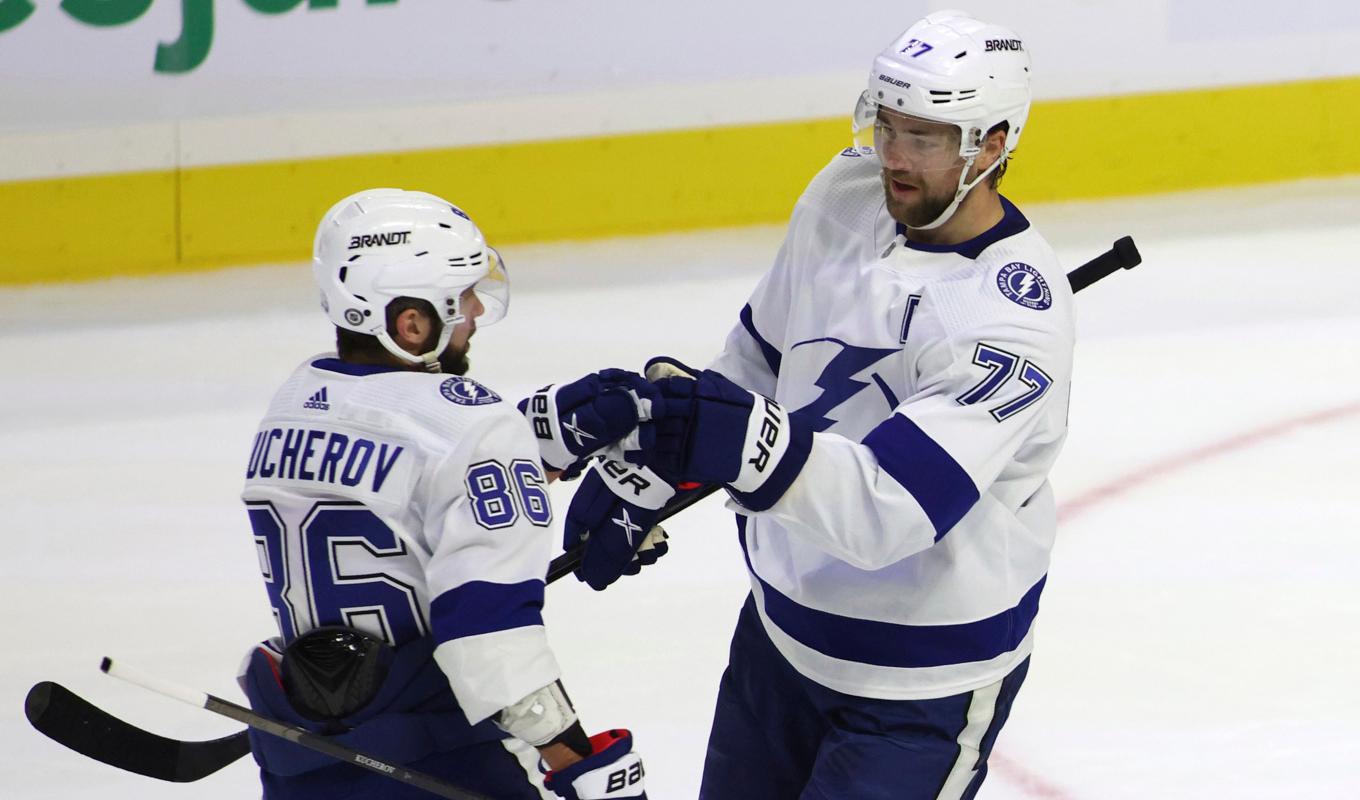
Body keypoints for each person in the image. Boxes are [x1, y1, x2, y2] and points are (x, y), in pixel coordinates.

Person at [572, 10, 1074, 798]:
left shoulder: (1013, 319)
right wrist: (661, 469)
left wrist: (728, 441)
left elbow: (890, 512)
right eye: (889, 125)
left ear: (997, 143)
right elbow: (759, 361)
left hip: (920, 683)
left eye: (929, 138)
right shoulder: (846, 192)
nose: (896, 158)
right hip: (778, 637)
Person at [238, 188, 651, 800]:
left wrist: (524, 448)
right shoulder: (477, 430)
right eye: (460, 299)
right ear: (410, 323)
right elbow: (487, 637)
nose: (476, 312)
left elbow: (396, 461)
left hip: (304, 758)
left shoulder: (293, 403)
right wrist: (574, 756)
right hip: (441, 761)